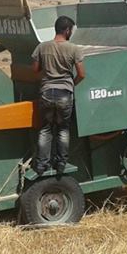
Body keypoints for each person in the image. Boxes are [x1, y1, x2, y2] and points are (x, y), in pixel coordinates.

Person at [31, 15, 86, 175]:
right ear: (67, 30)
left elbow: (35, 70)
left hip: (47, 93)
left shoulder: (42, 47)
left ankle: (41, 164)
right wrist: (71, 84)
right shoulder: (74, 49)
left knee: (45, 129)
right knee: (63, 129)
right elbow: (82, 74)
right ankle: (61, 163)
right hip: (64, 94)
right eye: (71, 30)